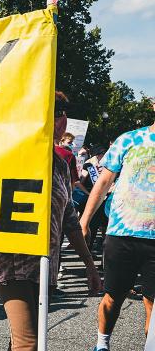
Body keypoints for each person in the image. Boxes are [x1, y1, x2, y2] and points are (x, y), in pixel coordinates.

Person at [0, 91, 102, 351]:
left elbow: (69, 219)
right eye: (56, 113)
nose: (62, 121)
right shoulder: (14, 155)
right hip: (12, 261)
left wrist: (90, 265)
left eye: (63, 114)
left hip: (45, 264)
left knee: (29, 338)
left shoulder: (59, 164)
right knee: (28, 343)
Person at [80, 99, 155, 351]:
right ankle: (102, 344)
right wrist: (84, 220)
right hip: (122, 233)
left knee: (152, 302)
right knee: (113, 296)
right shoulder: (129, 139)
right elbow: (102, 183)